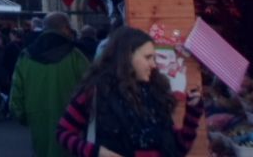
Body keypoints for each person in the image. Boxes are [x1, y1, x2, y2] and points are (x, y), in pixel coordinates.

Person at [56, 27, 204, 157]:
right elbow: (63, 133)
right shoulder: (96, 92)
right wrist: (96, 152)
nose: (153, 64)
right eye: (148, 57)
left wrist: (192, 113)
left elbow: (178, 149)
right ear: (127, 56)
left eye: (154, 58)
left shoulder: (156, 93)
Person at [10, 12, 90, 157]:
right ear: (65, 28)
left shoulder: (26, 56)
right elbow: (90, 87)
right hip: (72, 122)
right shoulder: (76, 55)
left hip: (37, 120)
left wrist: (24, 117)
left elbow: (16, 97)